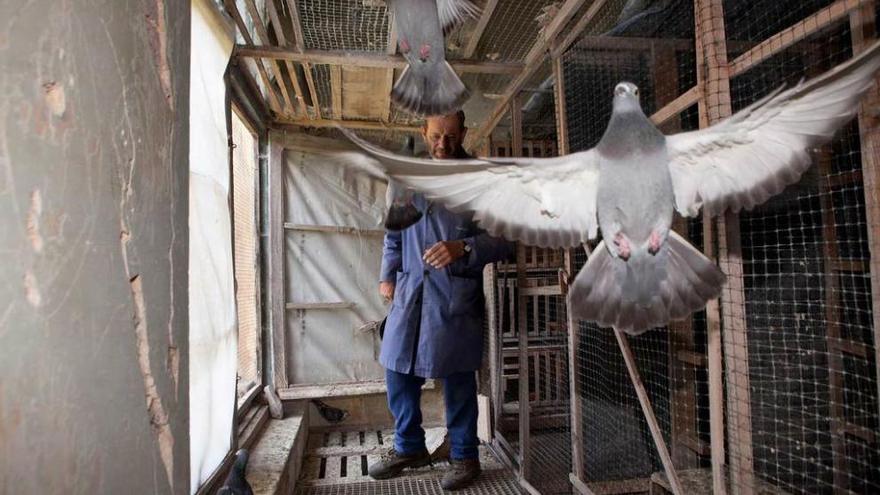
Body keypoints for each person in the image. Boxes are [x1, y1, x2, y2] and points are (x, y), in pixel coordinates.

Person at [368, 111, 513, 490]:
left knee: (457, 376)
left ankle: (465, 455)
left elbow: (505, 239)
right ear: (423, 131)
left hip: (453, 293)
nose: (443, 144)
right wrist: (387, 274)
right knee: (397, 370)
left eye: (451, 136)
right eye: (436, 135)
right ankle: (409, 447)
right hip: (410, 291)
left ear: (464, 132)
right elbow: (393, 235)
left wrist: (463, 246)